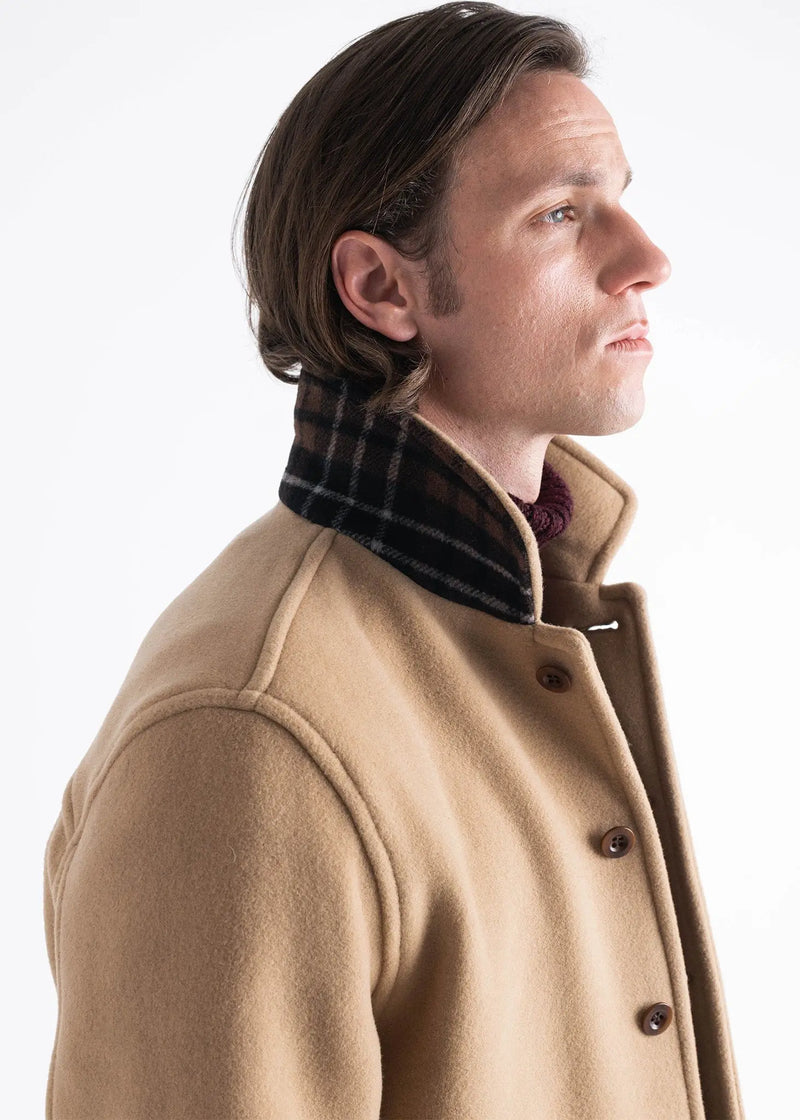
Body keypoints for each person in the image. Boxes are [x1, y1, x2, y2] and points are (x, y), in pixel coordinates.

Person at [43, 3, 745, 1117]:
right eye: (561, 214)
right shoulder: (247, 728)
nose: (646, 261)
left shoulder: (525, 619)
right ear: (380, 288)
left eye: (619, 199)